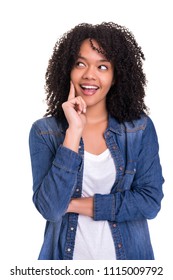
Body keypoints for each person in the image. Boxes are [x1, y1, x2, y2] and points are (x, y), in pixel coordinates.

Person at [29, 22, 164, 260]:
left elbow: (149, 202)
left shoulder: (139, 129)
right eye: (80, 63)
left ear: (115, 77)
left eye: (102, 66)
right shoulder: (45, 132)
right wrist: (73, 132)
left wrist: (71, 205)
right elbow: (50, 209)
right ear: (67, 70)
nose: (89, 74)